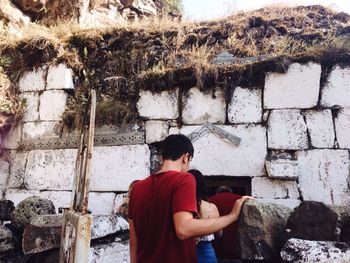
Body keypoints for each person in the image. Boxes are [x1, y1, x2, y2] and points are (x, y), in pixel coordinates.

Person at [128, 134, 251, 263]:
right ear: (186, 157)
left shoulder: (137, 188)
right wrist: (232, 216)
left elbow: (134, 241)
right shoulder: (184, 179)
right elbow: (184, 229)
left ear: (163, 156)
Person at [189, 169, 220, 263]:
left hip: (185, 250)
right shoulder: (211, 207)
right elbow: (219, 233)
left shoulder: (182, 207)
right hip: (206, 251)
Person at [208, 186, 243, 263]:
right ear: (231, 192)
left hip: (218, 251)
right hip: (238, 249)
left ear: (217, 193)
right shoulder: (240, 200)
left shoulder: (210, 201)